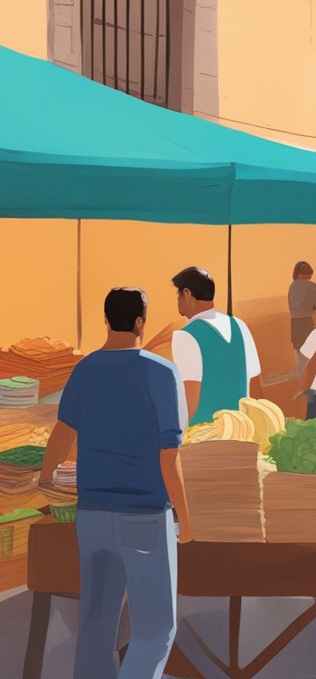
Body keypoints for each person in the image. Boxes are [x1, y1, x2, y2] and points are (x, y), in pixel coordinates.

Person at [41, 288, 191, 679]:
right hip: (144, 517)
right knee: (156, 630)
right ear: (141, 321)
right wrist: (187, 521)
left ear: (106, 320)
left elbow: (61, 435)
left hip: (92, 516)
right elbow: (168, 457)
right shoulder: (162, 372)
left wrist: (45, 479)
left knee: (95, 629)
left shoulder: (86, 369)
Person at [170, 267, 262, 426]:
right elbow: (255, 390)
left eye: (178, 294)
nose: (178, 300)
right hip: (241, 433)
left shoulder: (185, 336)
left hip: (202, 437)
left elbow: (190, 402)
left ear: (187, 293)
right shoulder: (240, 326)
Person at [288, 261, 316, 372]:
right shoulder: (313, 286)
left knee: (300, 354)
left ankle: (300, 380)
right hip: (307, 323)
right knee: (310, 353)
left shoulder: (292, 286)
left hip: (295, 324)